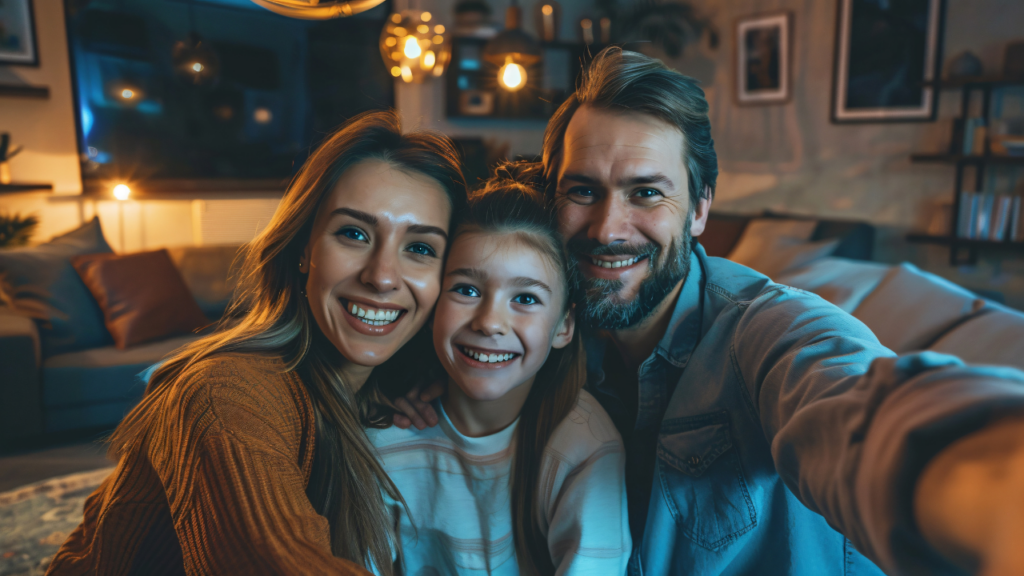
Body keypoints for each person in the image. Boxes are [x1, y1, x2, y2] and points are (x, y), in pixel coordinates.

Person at [393, 47, 1024, 575]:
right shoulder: (552, 331)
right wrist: (427, 380)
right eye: (582, 191)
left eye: (646, 193)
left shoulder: (763, 331)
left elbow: (856, 403)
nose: (608, 228)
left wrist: (980, 480)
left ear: (699, 210)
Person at [47, 110, 467, 576]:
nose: (382, 277)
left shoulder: (381, 391)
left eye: (420, 248)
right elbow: (276, 562)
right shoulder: (225, 392)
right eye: (354, 234)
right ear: (304, 249)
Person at [369, 165, 630, 575]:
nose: (489, 322)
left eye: (525, 299)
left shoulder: (584, 448)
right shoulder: (384, 436)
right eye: (467, 290)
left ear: (564, 326)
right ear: (434, 304)